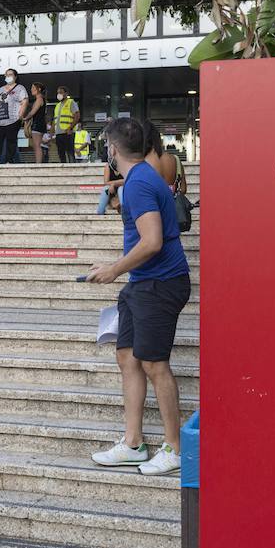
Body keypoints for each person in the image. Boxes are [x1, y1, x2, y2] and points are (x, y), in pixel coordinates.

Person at [87, 118, 192, 477]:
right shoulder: (137, 180)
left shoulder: (140, 183)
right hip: (142, 282)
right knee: (127, 356)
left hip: (160, 284)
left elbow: (153, 242)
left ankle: (175, 448)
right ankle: (132, 444)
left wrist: (114, 269)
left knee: (154, 363)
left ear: (112, 150)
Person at [0, 69, 28, 164]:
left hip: (13, 119)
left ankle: (9, 160)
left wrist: (20, 115)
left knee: (11, 141)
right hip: (1, 119)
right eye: (7, 75)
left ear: (15, 76)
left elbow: (24, 101)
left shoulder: (20, 88)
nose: (8, 76)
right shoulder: (1, 89)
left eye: (11, 74)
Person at [53, 87, 81, 163]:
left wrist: (70, 128)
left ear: (66, 93)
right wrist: (52, 131)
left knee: (70, 153)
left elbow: (77, 115)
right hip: (58, 133)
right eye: (58, 93)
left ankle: (72, 169)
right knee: (61, 153)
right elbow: (55, 119)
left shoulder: (71, 102)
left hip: (67, 132)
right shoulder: (57, 105)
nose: (59, 94)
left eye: (61, 92)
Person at [23, 81, 49, 164]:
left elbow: (33, 112)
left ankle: (38, 163)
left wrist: (25, 118)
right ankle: (38, 162)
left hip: (38, 124)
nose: (31, 90)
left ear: (39, 89)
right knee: (37, 145)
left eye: (33, 88)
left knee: (37, 145)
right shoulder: (41, 99)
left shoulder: (39, 99)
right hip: (40, 123)